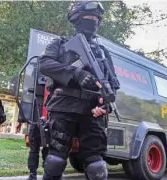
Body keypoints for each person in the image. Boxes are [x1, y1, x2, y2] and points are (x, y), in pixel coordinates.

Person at [39, 1, 120, 180]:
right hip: (63, 106)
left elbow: (112, 85)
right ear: (77, 20)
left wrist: (105, 105)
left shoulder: (103, 53)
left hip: (92, 112)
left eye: (96, 20)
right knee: (55, 161)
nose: (94, 22)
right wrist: (76, 73)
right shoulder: (60, 44)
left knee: (97, 167)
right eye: (89, 18)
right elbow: (44, 64)